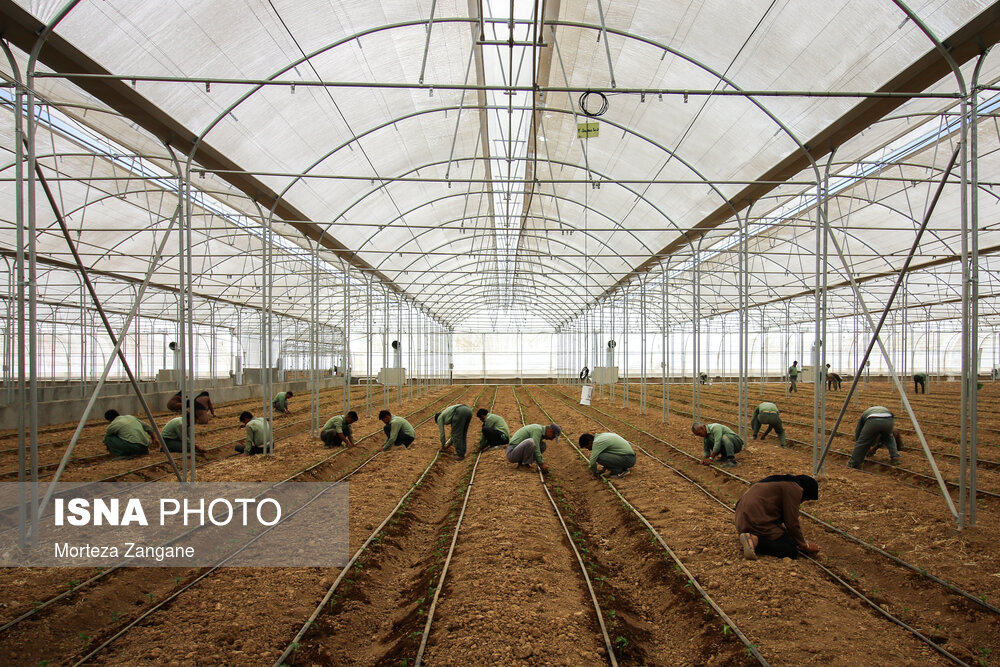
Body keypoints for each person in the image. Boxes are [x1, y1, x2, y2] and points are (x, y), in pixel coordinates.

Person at [735, 474, 820, 560]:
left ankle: (749, 537)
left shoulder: (781, 482)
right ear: (805, 491)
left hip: (742, 520)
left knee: (785, 537)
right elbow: (791, 522)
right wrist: (804, 545)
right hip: (755, 520)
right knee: (790, 550)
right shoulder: (795, 489)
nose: (803, 501)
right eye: (806, 498)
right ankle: (755, 540)